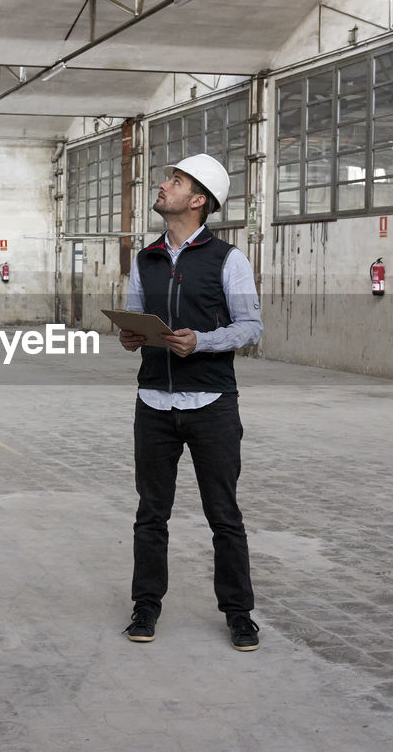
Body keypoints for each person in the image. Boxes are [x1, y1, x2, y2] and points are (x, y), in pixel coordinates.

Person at [118, 153, 264, 651]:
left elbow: (251, 327)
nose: (163, 186)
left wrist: (201, 342)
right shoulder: (146, 258)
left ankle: (239, 614)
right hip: (154, 402)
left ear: (198, 200)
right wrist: (132, 336)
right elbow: (135, 315)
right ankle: (146, 605)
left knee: (223, 514)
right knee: (150, 513)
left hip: (212, 405)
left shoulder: (228, 260)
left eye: (174, 181)